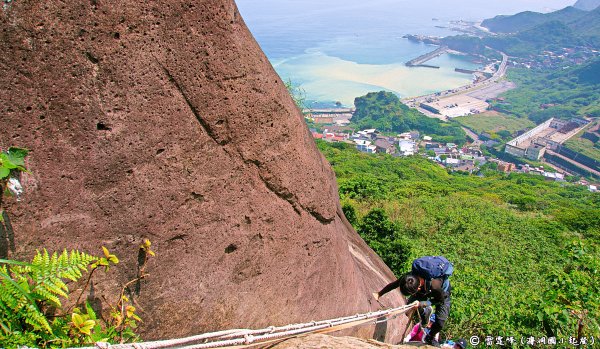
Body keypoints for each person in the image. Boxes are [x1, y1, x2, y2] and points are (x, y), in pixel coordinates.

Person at [373, 256, 453, 347]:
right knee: (409, 310)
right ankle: (424, 313)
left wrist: (423, 303)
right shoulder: (408, 279)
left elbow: (439, 301)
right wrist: (379, 294)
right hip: (424, 290)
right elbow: (394, 284)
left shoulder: (436, 286)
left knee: (440, 322)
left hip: (441, 295)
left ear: (418, 288)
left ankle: (430, 337)